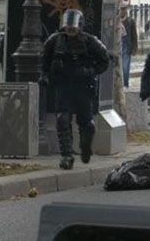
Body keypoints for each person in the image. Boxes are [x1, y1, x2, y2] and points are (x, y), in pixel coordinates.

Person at [41, 9, 110, 170]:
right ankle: (66, 155)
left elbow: (104, 60)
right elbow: (44, 60)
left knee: (87, 124)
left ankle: (85, 147)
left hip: (83, 87)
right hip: (63, 86)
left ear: (79, 26)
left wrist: (90, 71)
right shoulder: (54, 41)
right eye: (68, 27)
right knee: (62, 119)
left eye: (73, 27)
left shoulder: (90, 41)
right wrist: (44, 75)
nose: (70, 30)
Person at [119, 3, 138, 87]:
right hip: (118, 46)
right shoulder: (116, 21)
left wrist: (134, 48)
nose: (123, 11)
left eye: (124, 9)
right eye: (121, 9)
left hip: (127, 46)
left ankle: (125, 84)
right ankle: (119, 85)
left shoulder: (130, 21)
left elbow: (134, 35)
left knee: (125, 67)